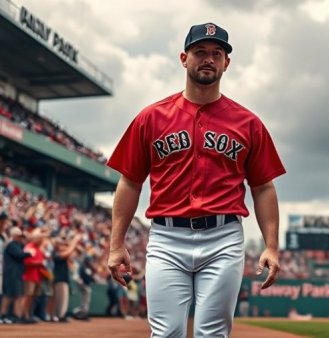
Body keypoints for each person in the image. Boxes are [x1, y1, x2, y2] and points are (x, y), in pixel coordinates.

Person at [106, 22, 286, 337]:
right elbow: (130, 182)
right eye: (200, 51)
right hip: (166, 237)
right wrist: (115, 244)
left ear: (227, 63)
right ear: (183, 58)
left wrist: (271, 246)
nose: (208, 59)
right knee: (165, 333)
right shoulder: (151, 117)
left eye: (217, 53)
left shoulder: (249, 123)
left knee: (213, 333)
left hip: (224, 238)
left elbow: (263, 188)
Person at [0, 226, 31, 323]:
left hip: (16, 273)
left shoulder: (18, 245)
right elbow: (19, 255)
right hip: (11, 274)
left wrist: (25, 239)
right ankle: (3, 315)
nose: (21, 238)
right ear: (14, 236)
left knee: (17, 295)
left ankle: (15, 315)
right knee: (8, 295)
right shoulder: (11, 245)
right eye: (19, 236)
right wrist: (29, 253)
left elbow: (25, 245)